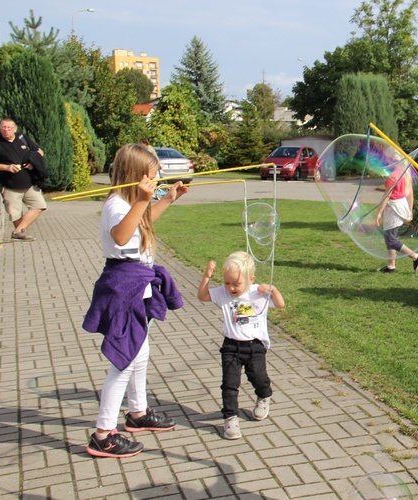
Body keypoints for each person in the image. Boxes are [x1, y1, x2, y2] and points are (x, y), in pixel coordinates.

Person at [82, 143, 188, 458]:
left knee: (140, 355)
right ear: (135, 176)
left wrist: (167, 199)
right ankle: (103, 434)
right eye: (152, 179)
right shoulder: (117, 204)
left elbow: (142, 225)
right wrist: (142, 200)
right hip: (123, 288)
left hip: (136, 286)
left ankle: (138, 414)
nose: (155, 184)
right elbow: (120, 236)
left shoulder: (131, 201)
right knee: (124, 360)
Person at [197, 251, 285, 440]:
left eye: (236, 284)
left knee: (259, 377)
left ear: (250, 279)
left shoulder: (258, 293)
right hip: (231, 346)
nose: (231, 288)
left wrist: (273, 290)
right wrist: (206, 277)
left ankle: (264, 396)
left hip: (255, 347)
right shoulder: (223, 293)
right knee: (229, 384)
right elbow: (203, 296)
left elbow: (280, 305)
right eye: (227, 282)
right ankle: (230, 418)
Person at [0, 118, 47, 242]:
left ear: (15, 129)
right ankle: (21, 233)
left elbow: (39, 152)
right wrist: (6, 167)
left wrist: (33, 163)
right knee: (15, 213)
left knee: (40, 205)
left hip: (29, 183)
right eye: (3, 127)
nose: (5, 130)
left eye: (8, 127)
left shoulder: (22, 138)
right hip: (10, 185)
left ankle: (18, 231)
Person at [375, 163, 418, 273]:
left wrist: (379, 213)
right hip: (401, 206)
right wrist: (409, 210)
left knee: (391, 238)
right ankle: (391, 266)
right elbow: (410, 193)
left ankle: (415, 256)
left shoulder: (393, 177)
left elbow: (387, 196)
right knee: (389, 236)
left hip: (393, 208)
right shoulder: (405, 174)